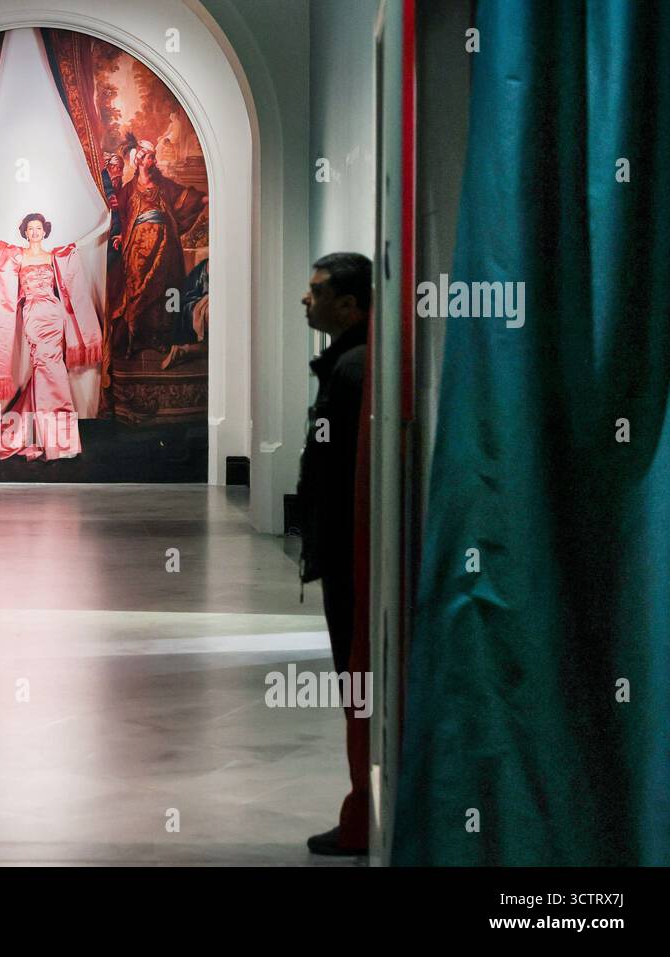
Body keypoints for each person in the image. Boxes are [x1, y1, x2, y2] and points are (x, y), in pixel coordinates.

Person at [296, 252, 371, 856]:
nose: (305, 299)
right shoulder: (348, 364)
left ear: (349, 305)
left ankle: (362, 812)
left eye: (316, 291)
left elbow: (342, 471)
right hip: (345, 547)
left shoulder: (351, 370)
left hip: (351, 553)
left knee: (358, 681)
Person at [0, 212, 103, 460]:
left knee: (53, 370)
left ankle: (51, 438)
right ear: (25, 232)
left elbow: (81, 245)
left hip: (53, 315)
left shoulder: (53, 257)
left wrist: (107, 221)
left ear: (45, 230)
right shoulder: (18, 256)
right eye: (30, 228)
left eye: (38, 228)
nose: (35, 232)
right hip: (32, 316)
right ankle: (54, 442)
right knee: (45, 368)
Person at [108, 140, 206, 358]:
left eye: (153, 156)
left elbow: (184, 197)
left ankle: (159, 339)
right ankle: (136, 338)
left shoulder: (164, 185)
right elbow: (121, 216)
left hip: (164, 245)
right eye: (149, 156)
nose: (153, 160)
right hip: (137, 249)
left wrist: (206, 198)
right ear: (140, 160)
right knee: (136, 292)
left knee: (163, 291)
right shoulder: (128, 189)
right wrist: (120, 234)